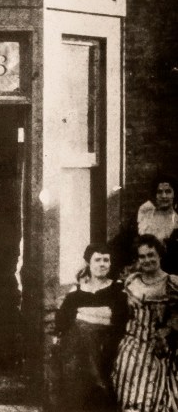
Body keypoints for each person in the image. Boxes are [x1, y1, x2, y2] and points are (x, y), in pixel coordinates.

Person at [52, 243, 127, 412]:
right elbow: (62, 321)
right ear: (89, 263)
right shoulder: (77, 292)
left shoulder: (117, 290)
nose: (102, 264)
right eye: (97, 260)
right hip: (77, 345)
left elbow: (120, 322)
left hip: (106, 344)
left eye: (106, 260)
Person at [112, 235, 178, 412]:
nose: (147, 260)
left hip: (160, 344)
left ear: (159, 255)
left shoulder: (171, 282)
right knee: (126, 368)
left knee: (153, 385)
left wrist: (166, 331)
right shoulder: (132, 281)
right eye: (142, 257)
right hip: (132, 340)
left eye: (151, 255)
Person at [112, 175, 178, 276]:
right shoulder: (144, 215)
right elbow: (123, 239)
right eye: (159, 192)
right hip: (140, 270)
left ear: (174, 194)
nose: (164, 196)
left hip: (167, 272)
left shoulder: (176, 220)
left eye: (168, 192)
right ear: (155, 195)